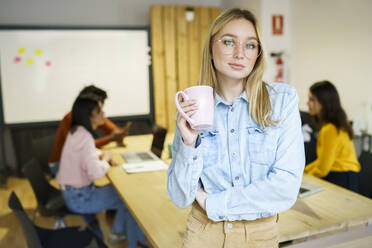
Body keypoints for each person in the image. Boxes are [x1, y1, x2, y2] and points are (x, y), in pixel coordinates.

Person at [167, 8, 305, 248]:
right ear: (211, 49)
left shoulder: (282, 101)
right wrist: (189, 145)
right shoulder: (192, 106)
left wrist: (213, 204)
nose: (240, 53)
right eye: (229, 42)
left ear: (258, 54)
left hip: (259, 235)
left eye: (250, 45)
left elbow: (285, 188)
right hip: (202, 234)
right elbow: (180, 197)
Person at [56, 97, 146, 247]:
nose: (103, 112)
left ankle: (118, 233)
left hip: (72, 192)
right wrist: (106, 158)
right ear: (90, 115)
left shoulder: (77, 132)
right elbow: (96, 173)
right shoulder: (84, 137)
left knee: (126, 195)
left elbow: (86, 154)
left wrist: (101, 156)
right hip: (80, 198)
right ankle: (133, 242)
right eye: (99, 110)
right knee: (131, 199)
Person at [49, 85, 128, 176]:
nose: (102, 111)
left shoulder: (93, 116)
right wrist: (105, 155)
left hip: (77, 163)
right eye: (99, 106)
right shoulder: (75, 122)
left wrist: (117, 134)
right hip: (61, 164)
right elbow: (84, 147)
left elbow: (113, 130)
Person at [304, 80, 360, 192]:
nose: (307, 103)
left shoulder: (330, 130)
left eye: (312, 99)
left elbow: (322, 168)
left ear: (324, 103)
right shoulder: (334, 126)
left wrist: (303, 177)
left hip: (341, 178)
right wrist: (304, 171)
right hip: (346, 176)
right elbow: (321, 161)